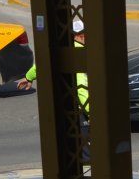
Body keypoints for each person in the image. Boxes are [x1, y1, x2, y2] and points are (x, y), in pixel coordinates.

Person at [19, 20, 89, 161]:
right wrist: (90, 110)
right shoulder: (79, 53)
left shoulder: (62, 48)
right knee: (85, 149)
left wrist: (29, 77)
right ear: (79, 36)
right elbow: (81, 87)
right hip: (78, 106)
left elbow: (42, 63)